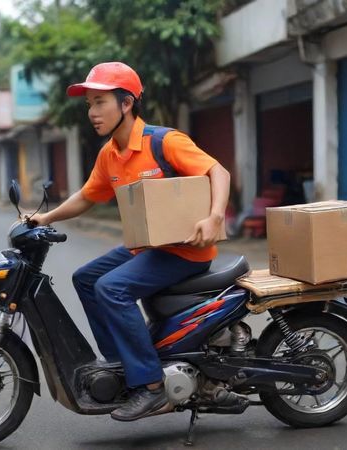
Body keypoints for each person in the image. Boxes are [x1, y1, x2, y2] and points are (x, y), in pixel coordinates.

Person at [30, 62, 231, 421]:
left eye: (100, 102)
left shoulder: (163, 141)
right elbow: (88, 195)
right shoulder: (110, 153)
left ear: (126, 104)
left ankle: (151, 387)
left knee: (111, 288)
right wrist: (46, 217)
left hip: (184, 251)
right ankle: (122, 367)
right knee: (86, 279)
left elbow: (218, 171)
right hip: (150, 247)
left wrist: (214, 216)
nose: (92, 113)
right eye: (89, 104)